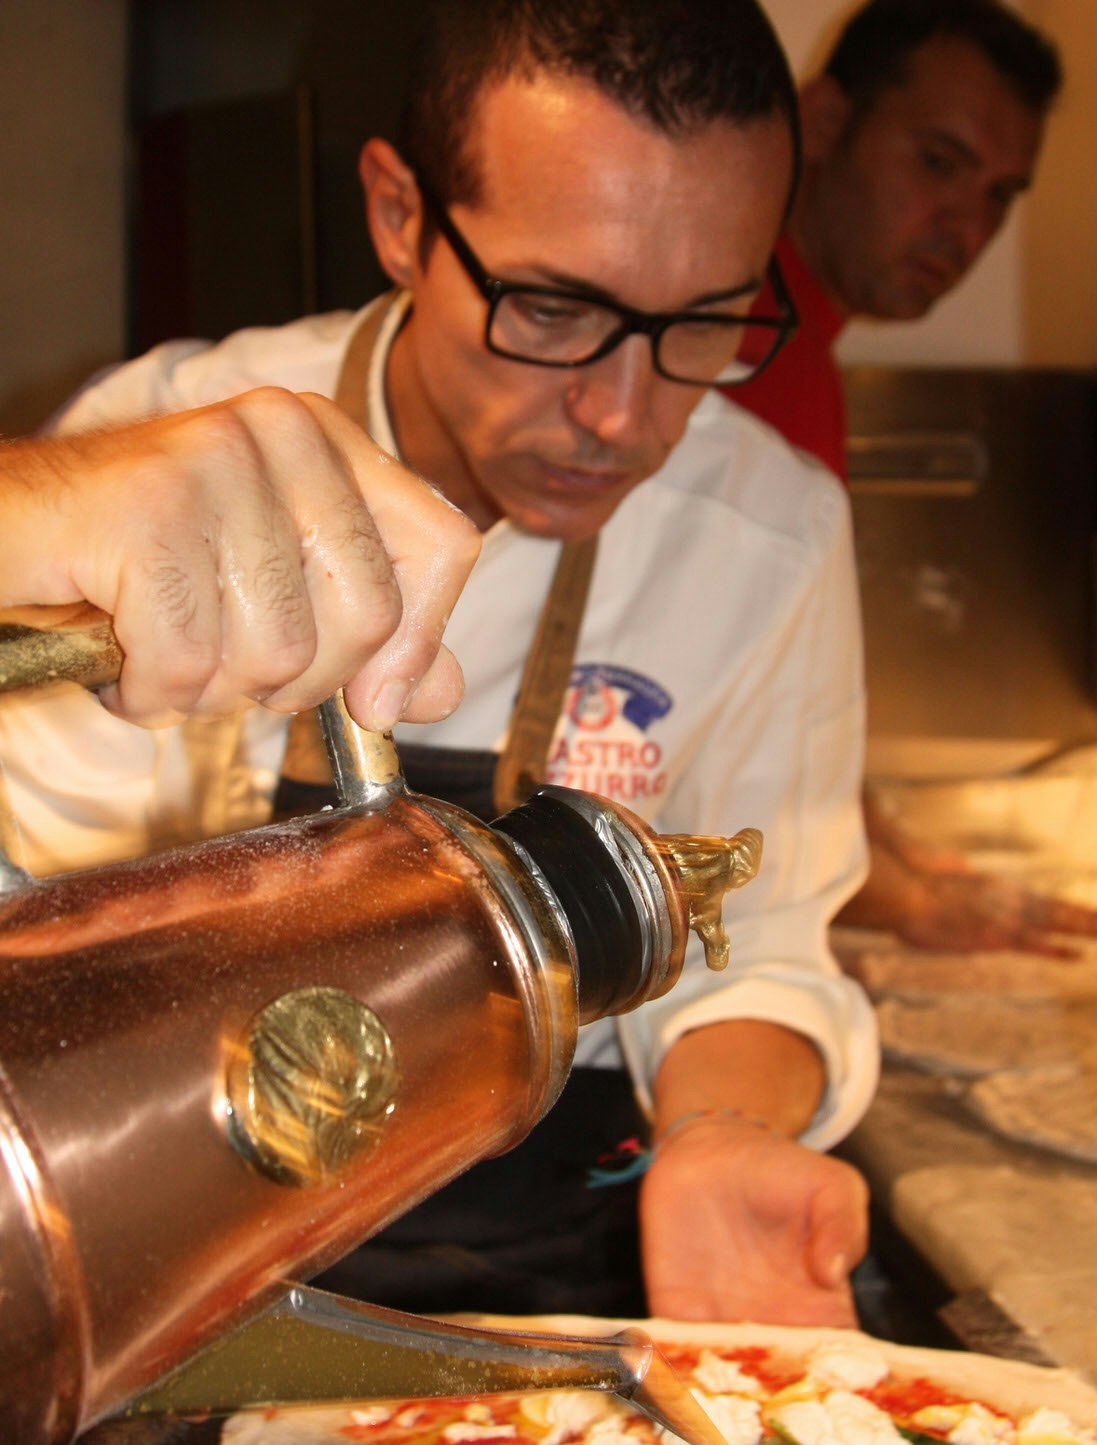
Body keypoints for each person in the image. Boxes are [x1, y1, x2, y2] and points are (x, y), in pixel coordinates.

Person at [0, 0, 877, 1328]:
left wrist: (724, 1134)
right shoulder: (153, 453)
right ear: (400, 217)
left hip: (530, 1250)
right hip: (147, 1224)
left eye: (704, 322)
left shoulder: (770, 536)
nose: (620, 416)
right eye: (554, 307)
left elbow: (760, 948)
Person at [731, 0, 1093, 956]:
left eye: (1000, 194)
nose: (965, 227)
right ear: (822, 121)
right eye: (937, 163)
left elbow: (784, 690)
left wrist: (890, 851)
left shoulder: (800, 338)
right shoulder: (743, 350)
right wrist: (904, 900)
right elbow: (709, 737)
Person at [0, 393, 477, 730]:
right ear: (398, 246)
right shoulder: (150, 397)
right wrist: (27, 501)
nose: (557, 400)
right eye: (540, 311)